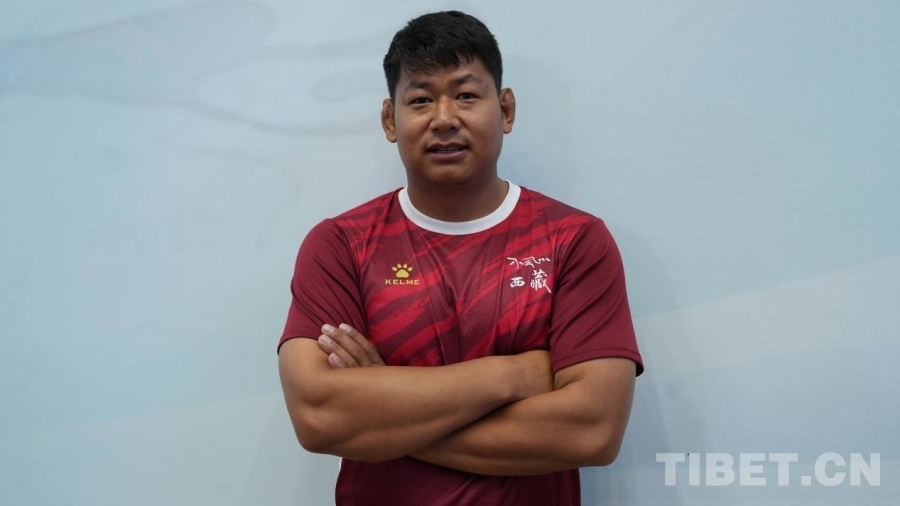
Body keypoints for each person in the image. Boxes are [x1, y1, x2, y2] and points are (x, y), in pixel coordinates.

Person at [277, 10, 643, 505]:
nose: (445, 118)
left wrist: (381, 418)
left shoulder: (573, 240)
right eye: (421, 99)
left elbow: (592, 431)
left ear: (505, 110)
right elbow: (319, 417)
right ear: (390, 120)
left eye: (467, 95)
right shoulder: (341, 245)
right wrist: (515, 375)